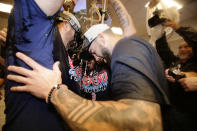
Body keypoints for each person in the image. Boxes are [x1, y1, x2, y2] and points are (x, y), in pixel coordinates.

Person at [7, 1, 170, 130]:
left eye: (92, 50)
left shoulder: (126, 49)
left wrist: (53, 91)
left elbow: (140, 124)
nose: (95, 57)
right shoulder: (132, 45)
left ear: (101, 38)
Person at [4, 0, 81, 130]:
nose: (76, 37)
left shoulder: (65, 51)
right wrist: (53, 90)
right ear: (67, 25)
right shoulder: (34, 35)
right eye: (76, 32)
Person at [156, 20, 197, 131]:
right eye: (180, 47)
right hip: (171, 111)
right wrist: (160, 31)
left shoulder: (195, 63)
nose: (182, 49)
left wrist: (177, 28)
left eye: (187, 46)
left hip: (189, 115)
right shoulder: (175, 62)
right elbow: (163, 49)